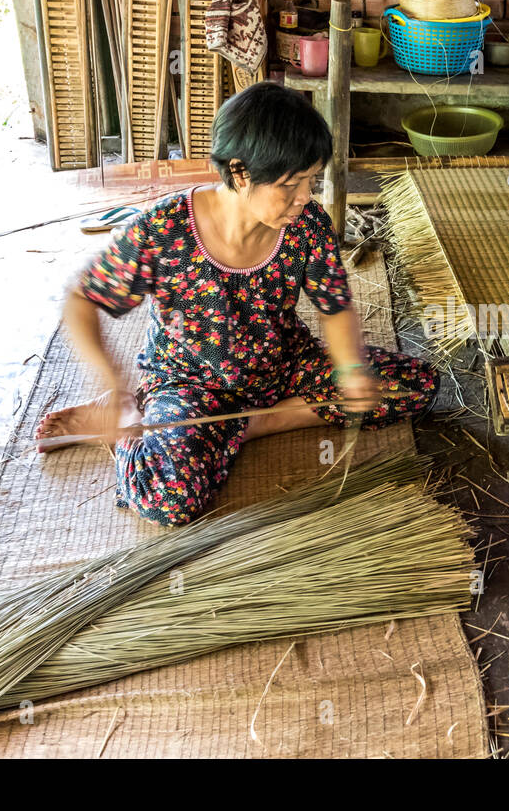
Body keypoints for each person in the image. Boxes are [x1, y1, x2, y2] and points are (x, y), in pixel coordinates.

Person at [34, 83, 437, 526]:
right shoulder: (163, 230)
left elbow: (334, 307)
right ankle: (133, 412)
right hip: (190, 383)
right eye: (290, 185)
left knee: (413, 384)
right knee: (169, 498)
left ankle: (243, 425)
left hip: (283, 365)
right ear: (240, 172)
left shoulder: (307, 226)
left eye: (310, 180)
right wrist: (111, 378)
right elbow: (81, 300)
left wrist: (348, 368)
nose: (304, 197)